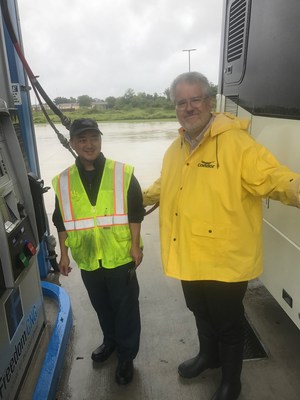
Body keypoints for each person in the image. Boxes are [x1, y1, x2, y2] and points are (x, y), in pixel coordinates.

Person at [143, 72, 300, 400]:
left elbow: (275, 178)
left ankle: (232, 381)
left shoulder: (237, 144)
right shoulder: (175, 149)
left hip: (225, 258)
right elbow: (164, 187)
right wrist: (134, 197)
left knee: (228, 323)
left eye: (195, 99)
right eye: (181, 102)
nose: (189, 107)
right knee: (199, 310)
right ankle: (208, 356)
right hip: (188, 253)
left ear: (209, 101)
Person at [52, 118, 144, 385]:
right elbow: (61, 220)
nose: (89, 144)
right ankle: (110, 341)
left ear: (100, 140)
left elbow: (136, 212)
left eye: (93, 138)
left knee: (126, 308)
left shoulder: (122, 173)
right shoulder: (63, 180)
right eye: (82, 139)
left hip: (119, 255)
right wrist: (64, 254)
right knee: (102, 306)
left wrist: (135, 245)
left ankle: (126, 357)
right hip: (89, 258)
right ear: (72, 144)